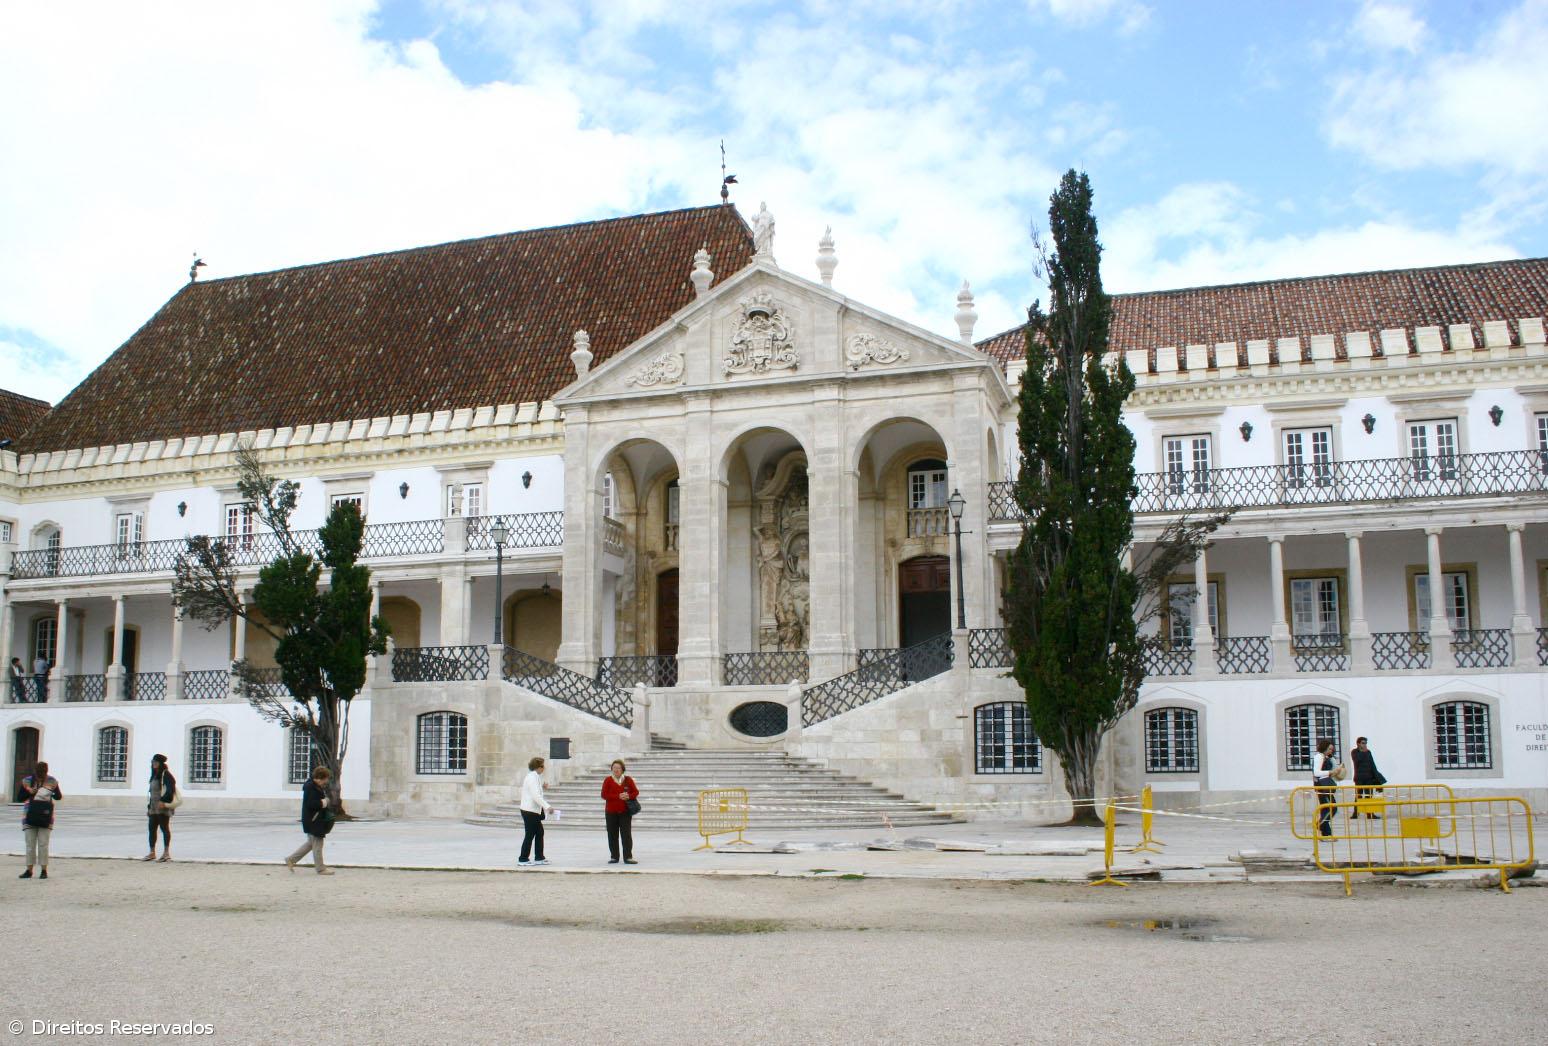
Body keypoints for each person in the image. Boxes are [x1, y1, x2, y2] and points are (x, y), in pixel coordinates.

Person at [284, 766, 335, 874]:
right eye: (325, 779)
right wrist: (325, 801)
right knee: (318, 845)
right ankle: (321, 869)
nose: (325, 782)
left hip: (312, 819)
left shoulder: (312, 786)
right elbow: (312, 804)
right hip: (314, 820)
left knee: (311, 844)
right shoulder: (311, 788)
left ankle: (291, 860)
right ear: (320, 778)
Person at [19, 761, 62, 879]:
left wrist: (49, 792)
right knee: (32, 844)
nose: (40, 775)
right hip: (31, 815)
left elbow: (58, 796)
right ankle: (30, 870)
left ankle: (43, 870)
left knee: (41, 844)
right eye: (40, 773)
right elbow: (20, 797)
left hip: (44, 816)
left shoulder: (52, 781)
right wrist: (30, 792)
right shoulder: (27, 781)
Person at [601, 759, 641, 866]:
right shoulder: (608, 780)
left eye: (618, 768)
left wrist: (628, 795)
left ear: (622, 769)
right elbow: (604, 795)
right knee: (612, 835)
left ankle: (628, 856)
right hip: (611, 812)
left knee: (626, 835)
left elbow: (636, 792)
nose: (616, 770)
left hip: (625, 812)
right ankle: (614, 857)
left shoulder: (628, 780)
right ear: (612, 769)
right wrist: (617, 796)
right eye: (614, 768)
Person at [518, 756, 554, 867]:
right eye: (542, 766)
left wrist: (543, 787)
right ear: (538, 767)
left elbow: (535, 791)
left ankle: (539, 857)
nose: (544, 768)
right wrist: (547, 806)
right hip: (530, 811)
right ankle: (523, 858)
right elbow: (535, 796)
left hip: (533, 811)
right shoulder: (532, 778)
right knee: (530, 834)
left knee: (539, 832)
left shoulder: (534, 777)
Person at [144, 754, 177, 862]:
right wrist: (149, 807)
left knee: (164, 828)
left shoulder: (165, 774)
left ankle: (166, 853)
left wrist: (164, 801)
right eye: (153, 762)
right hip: (153, 807)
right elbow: (151, 792)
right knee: (152, 829)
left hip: (162, 807)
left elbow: (170, 789)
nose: (154, 764)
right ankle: (152, 852)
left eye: (156, 762)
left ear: (161, 763)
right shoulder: (154, 775)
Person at [1311, 738, 1343, 839]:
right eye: (1329, 749)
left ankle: (1326, 832)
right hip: (1322, 786)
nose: (1331, 751)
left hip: (1326, 785)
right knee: (1331, 808)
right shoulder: (1319, 757)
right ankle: (1323, 828)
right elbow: (1316, 772)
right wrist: (1330, 772)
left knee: (1327, 808)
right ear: (1324, 748)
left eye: (1332, 749)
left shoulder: (1326, 758)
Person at [1350, 737, 1386, 818]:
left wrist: (1377, 777)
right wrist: (1363, 752)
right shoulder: (1354, 752)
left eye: (1365, 743)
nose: (1364, 745)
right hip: (1359, 778)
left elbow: (1372, 764)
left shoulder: (1368, 752)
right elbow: (1357, 760)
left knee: (1369, 796)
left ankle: (1370, 814)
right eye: (1363, 743)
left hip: (1368, 778)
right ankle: (1355, 813)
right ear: (1358, 744)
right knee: (1358, 796)